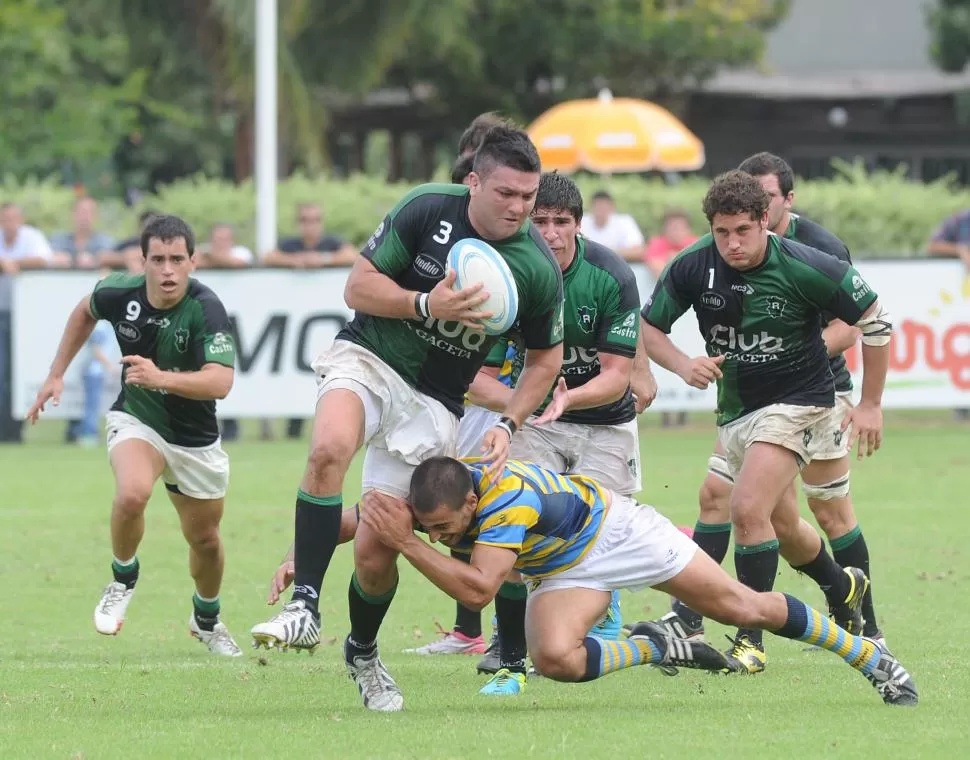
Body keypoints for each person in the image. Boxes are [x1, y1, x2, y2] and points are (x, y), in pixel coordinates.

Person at [250, 124, 565, 713]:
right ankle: (305, 607)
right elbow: (357, 286)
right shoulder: (427, 209)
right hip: (371, 357)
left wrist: (508, 423)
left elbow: (547, 359)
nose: (519, 208)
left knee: (377, 547)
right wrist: (425, 303)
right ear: (474, 182)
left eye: (528, 197)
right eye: (506, 194)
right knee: (328, 449)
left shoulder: (536, 267)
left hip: (436, 402)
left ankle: (363, 653)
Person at [361, 456, 917, 706]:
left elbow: (479, 591)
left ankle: (867, 655)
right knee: (554, 659)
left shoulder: (506, 500)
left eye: (443, 528)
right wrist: (306, 551)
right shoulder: (437, 499)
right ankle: (656, 645)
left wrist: (407, 542)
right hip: (563, 566)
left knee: (743, 609)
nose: (436, 537)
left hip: (618, 531)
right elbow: (364, 523)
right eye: (427, 528)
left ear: (473, 501)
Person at [638, 170, 894, 673]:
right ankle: (842, 585)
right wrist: (683, 363)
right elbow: (649, 325)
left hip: (802, 402)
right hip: (737, 407)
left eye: (743, 231)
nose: (732, 243)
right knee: (777, 521)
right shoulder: (692, 266)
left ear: (766, 222)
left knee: (746, 507)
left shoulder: (806, 264)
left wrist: (870, 404)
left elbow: (876, 320)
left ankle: (749, 637)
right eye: (721, 232)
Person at [25, 215, 242, 656]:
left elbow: (220, 382)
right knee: (131, 494)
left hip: (194, 437)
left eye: (176, 259)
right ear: (142, 261)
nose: (167, 270)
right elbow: (85, 311)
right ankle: (123, 577)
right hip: (137, 420)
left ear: (192, 262)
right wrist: (55, 374)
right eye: (157, 259)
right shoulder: (118, 291)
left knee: (205, 540)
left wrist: (160, 377)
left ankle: (206, 619)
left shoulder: (207, 308)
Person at [462, 172, 644, 693]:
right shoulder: (506, 272)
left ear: (579, 226)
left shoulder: (610, 273)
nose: (550, 232)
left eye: (561, 222)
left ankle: (602, 614)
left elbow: (616, 374)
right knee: (510, 526)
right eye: (540, 220)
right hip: (532, 422)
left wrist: (568, 397)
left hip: (604, 423)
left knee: (603, 534)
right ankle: (510, 656)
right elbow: (473, 376)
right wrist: (527, 404)